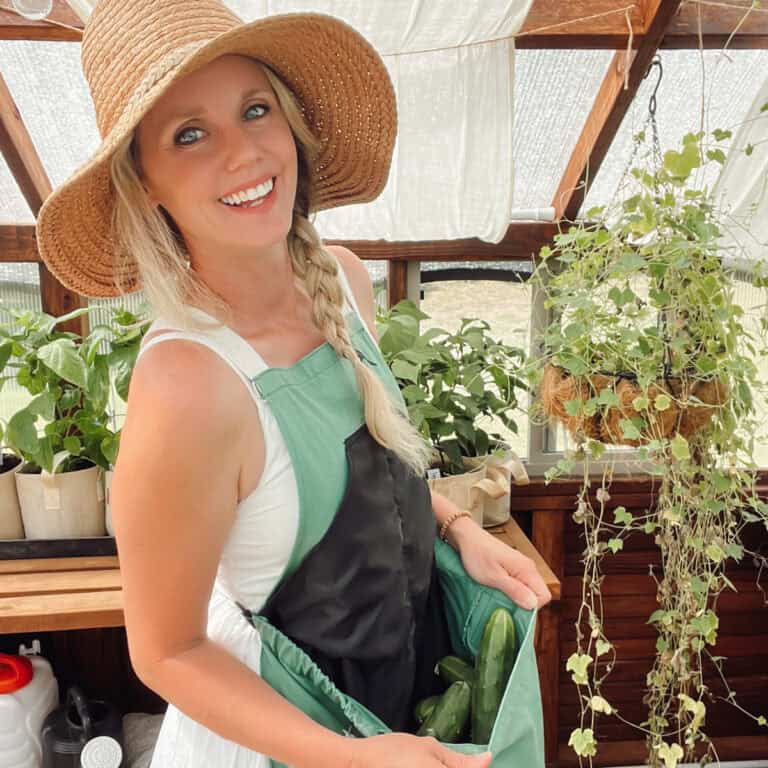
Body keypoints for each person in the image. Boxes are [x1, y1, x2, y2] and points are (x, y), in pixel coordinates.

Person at [36, 1, 551, 766]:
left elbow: (375, 469)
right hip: (288, 739)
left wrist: (458, 530)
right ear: (145, 183)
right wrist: (347, 757)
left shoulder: (341, 281)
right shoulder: (190, 380)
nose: (243, 154)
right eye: (189, 133)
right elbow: (166, 651)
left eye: (254, 110)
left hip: (401, 707)